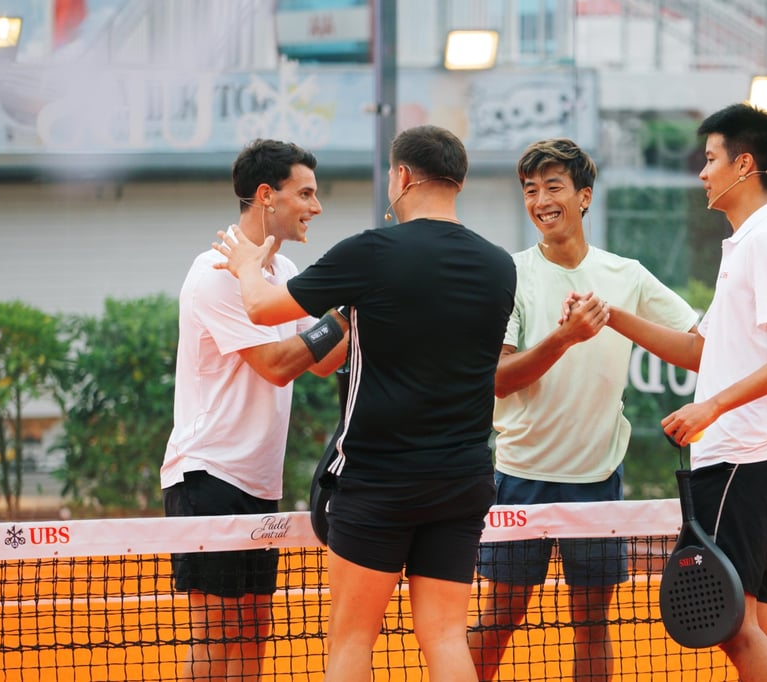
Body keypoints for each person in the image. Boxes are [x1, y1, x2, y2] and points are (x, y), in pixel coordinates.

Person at [213, 124, 516, 682]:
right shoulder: (500, 266)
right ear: (458, 180)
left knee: (352, 640)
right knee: (446, 636)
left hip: (379, 479)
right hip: (464, 476)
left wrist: (246, 266)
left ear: (401, 176)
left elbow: (260, 309)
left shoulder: (370, 253)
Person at [467, 138, 699, 682]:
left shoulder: (628, 275)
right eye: (531, 190)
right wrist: (565, 338)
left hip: (597, 477)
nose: (541, 199)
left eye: (553, 187)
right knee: (500, 616)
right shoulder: (511, 275)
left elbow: (700, 340)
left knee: (591, 622)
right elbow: (497, 382)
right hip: (520, 478)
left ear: (584, 196)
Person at [605, 104, 767, 682]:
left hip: (744, 456)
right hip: (740, 454)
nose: (702, 172)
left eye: (710, 159)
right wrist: (612, 317)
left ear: (744, 164)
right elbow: (699, 351)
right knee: (750, 616)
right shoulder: (745, 244)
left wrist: (712, 406)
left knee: (731, 624)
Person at [160, 138, 348, 682]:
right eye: (305, 193)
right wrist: (342, 311)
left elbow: (317, 360)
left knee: (252, 632)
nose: (316, 206)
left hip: (258, 482)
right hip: (208, 476)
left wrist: (368, 313)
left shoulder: (281, 268)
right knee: (216, 637)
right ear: (267, 196)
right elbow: (278, 364)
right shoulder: (217, 272)